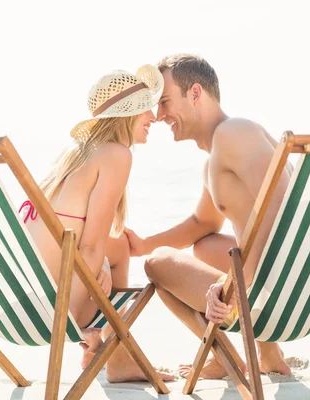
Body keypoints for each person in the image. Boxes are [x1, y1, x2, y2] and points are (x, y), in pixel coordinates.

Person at [125, 54, 293, 378]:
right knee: (205, 245)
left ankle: (229, 361)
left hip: (281, 289)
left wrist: (233, 284)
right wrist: (142, 244)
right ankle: (268, 356)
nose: (159, 116)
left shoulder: (234, 133)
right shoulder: (218, 155)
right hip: (291, 283)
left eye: (164, 102)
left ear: (196, 94)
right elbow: (202, 224)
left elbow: (284, 211)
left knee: (158, 265)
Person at [19, 65, 174, 383]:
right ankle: (113, 353)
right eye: (146, 108)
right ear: (127, 115)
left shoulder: (74, 153)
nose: (154, 117)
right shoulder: (116, 154)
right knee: (109, 251)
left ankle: (99, 346)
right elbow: (89, 246)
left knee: (118, 247)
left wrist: (102, 258)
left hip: (24, 303)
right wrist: (98, 266)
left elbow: (70, 240)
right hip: (59, 312)